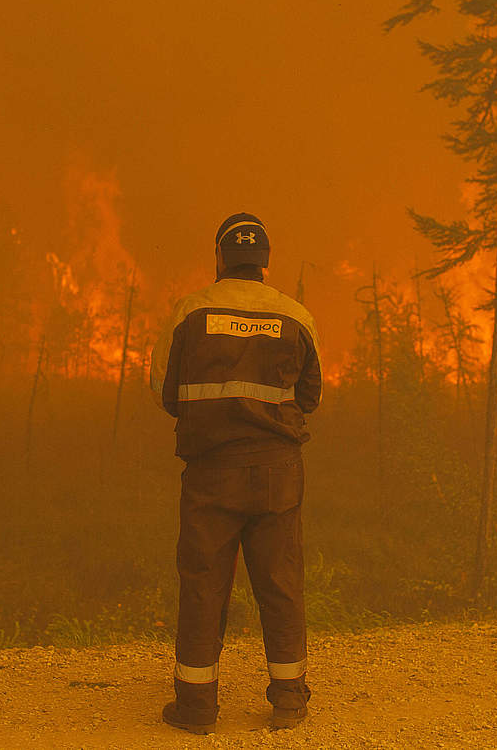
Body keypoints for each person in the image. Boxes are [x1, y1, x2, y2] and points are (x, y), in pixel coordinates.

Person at [150, 212, 322, 733]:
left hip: (211, 474)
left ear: (220, 257)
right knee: (281, 583)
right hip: (277, 473)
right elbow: (310, 397)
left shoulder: (191, 311)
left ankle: (197, 709)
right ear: (264, 262)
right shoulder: (296, 316)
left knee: (203, 584)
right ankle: (289, 700)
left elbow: (166, 393)